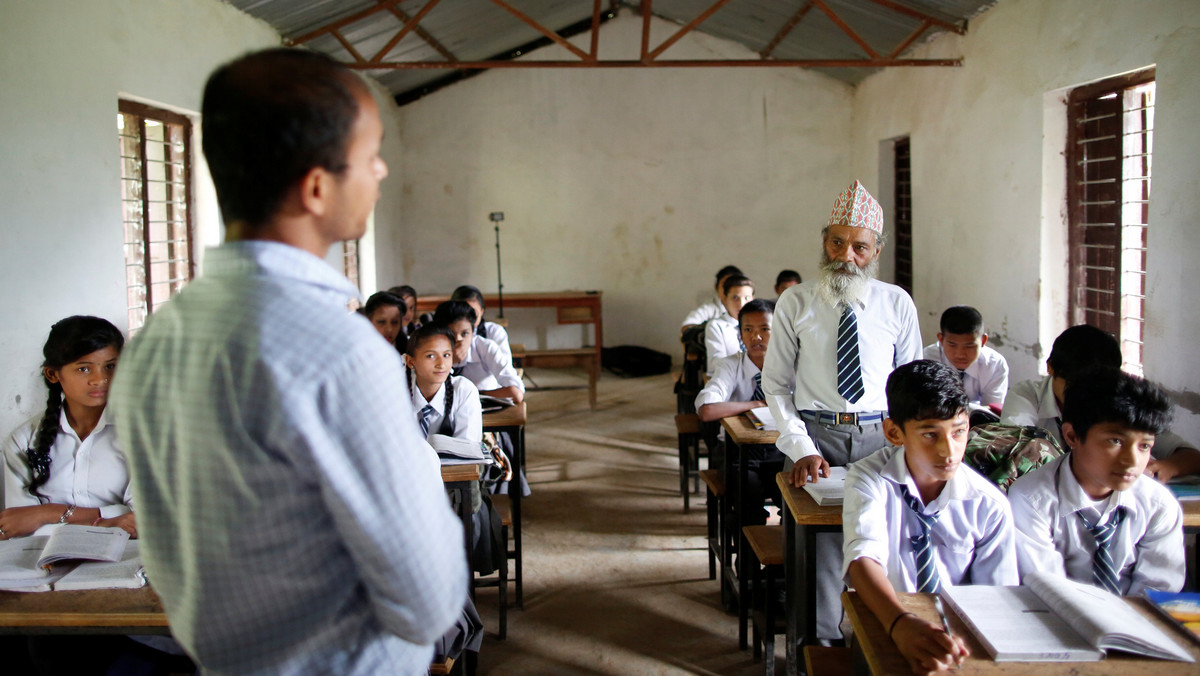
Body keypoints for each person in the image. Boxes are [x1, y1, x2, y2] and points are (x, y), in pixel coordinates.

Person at [109, 48, 466, 675]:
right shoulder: (341, 353)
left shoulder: (155, 342)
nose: (381, 172)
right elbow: (427, 599)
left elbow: (167, 560)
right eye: (370, 155)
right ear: (317, 187)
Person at [762, 179, 922, 643]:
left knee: (886, 542)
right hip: (817, 438)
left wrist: (905, 441)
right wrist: (800, 447)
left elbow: (911, 383)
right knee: (822, 553)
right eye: (836, 242)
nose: (845, 256)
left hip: (882, 436)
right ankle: (820, 648)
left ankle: (884, 642)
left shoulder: (896, 303)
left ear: (876, 251)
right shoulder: (796, 302)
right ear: (823, 242)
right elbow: (774, 386)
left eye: (859, 246)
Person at [843, 360, 1017, 675]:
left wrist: (952, 647)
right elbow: (863, 558)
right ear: (894, 432)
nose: (947, 451)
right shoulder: (870, 479)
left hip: (963, 640)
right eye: (929, 435)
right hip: (886, 619)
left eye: (959, 432)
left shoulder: (989, 505)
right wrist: (900, 622)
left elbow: (998, 600)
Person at [1008, 367, 1184, 595]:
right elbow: (1049, 590)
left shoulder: (1158, 505)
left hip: (1137, 622)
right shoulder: (1032, 499)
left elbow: (1157, 593)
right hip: (1058, 619)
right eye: (1115, 441)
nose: (1132, 460)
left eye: (1145, 446)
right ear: (1072, 436)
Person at [1002, 324, 1200, 481]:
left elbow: (1191, 456)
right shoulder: (1026, 396)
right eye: (1073, 385)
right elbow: (1017, 450)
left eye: (1094, 387)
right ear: (1051, 368)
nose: (1084, 396)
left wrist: (1165, 467)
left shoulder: (1116, 402)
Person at [2, 316, 133, 538]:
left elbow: (140, 519)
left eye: (110, 366)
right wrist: (108, 522)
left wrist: (46, 513)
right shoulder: (22, 441)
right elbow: (18, 525)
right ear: (53, 374)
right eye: (84, 369)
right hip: (46, 564)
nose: (100, 379)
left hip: (125, 561)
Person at [695, 299, 780, 526]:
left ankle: (782, 560)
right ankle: (747, 559)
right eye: (748, 330)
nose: (756, 337)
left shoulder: (791, 367)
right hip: (737, 453)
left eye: (765, 329)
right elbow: (707, 410)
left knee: (793, 499)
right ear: (740, 334)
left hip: (780, 451)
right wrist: (754, 405)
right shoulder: (729, 365)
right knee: (747, 499)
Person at [922, 305, 1008, 423]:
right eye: (952, 345)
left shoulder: (995, 364)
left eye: (969, 346)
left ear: (983, 341)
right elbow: (927, 406)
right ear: (941, 340)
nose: (960, 354)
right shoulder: (927, 361)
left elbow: (992, 411)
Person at [433, 300, 525, 405]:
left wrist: (473, 394)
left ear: (473, 332)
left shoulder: (485, 347)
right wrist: (449, 363)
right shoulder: (430, 352)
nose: (458, 339)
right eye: (451, 334)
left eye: (465, 333)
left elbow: (516, 393)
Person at [704, 274, 754, 376]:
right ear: (725, 300)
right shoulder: (716, 326)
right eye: (735, 298)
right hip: (730, 379)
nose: (741, 304)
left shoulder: (760, 325)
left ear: (753, 299)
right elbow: (716, 364)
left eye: (747, 298)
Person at [451, 284, 512, 361]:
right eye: (462, 312)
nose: (467, 318)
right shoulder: (444, 333)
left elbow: (506, 368)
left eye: (473, 313)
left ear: (482, 311)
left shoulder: (494, 332)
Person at [681, 264, 743, 333]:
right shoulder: (710, 308)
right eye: (724, 285)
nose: (727, 289)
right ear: (716, 287)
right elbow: (687, 327)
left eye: (732, 285)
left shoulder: (747, 307)